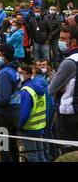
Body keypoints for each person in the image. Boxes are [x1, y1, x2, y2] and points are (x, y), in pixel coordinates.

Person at [48, 26, 78, 155]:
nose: (60, 42)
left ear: (73, 42)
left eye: (63, 39)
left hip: (69, 113)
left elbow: (51, 88)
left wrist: (61, 85)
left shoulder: (70, 62)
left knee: (69, 153)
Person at [18, 64, 47, 162]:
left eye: (21, 73)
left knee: (32, 156)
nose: (19, 75)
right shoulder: (38, 87)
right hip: (39, 126)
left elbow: (24, 114)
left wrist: (19, 126)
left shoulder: (25, 91)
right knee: (40, 154)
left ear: (29, 74)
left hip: (29, 128)